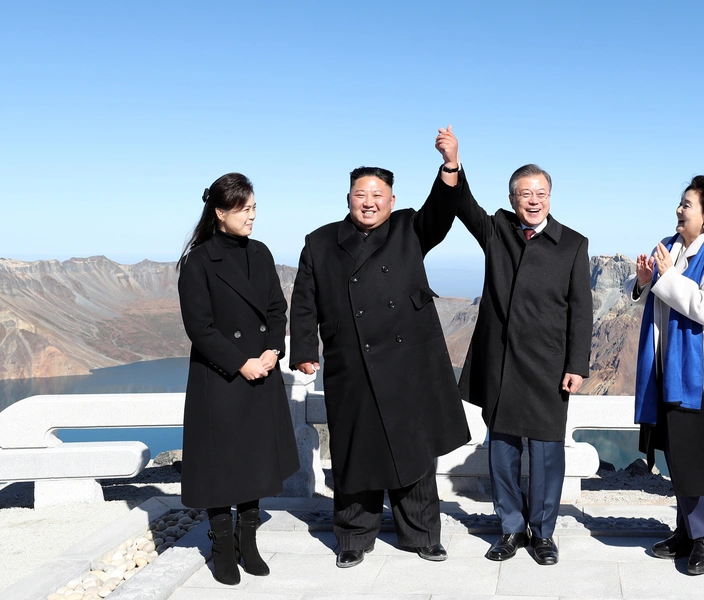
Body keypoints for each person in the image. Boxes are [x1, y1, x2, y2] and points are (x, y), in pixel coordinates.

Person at [289, 128, 470, 568]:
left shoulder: (410, 227)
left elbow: (442, 211)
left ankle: (423, 534)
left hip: (409, 363)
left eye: (377, 194)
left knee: (414, 451)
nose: (368, 202)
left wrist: (450, 165)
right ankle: (353, 537)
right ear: (347, 199)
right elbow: (304, 298)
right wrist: (303, 349)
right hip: (351, 361)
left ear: (391, 199)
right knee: (355, 450)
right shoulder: (320, 241)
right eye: (359, 194)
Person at [455, 147, 592, 565]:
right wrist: (453, 164)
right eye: (525, 193)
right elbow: (463, 204)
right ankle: (511, 529)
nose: (534, 201)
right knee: (502, 449)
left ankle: (544, 534)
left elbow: (581, 310)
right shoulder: (498, 230)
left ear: (550, 197)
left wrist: (577, 365)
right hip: (502, 362)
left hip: (549, 365)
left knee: (548, 454)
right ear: (513, 198)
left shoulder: (572, 243)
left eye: (541, 193)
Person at [177, 173, 300, 585]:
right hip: (220, 377)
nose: (252, 216)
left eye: (253, 208)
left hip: (261, 371)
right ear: (220, 213)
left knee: (254, 459)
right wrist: (239, 362)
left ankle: (248, 541)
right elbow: (200, 327)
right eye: (244, 209)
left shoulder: (260, 254)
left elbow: (275, 308)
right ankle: (222, 542)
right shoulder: (198, 261)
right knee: (219, 464)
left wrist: (271, 349)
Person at [626, 175, 704, 575]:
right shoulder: (672, 248)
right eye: (680, 203)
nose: (679, 210)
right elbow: (657, 294)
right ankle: (686, 531)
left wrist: (664, 278)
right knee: (677, 454)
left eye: (687, 205)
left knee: (694, 457)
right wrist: (644, 282)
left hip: (702, 378)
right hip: (669, 370)